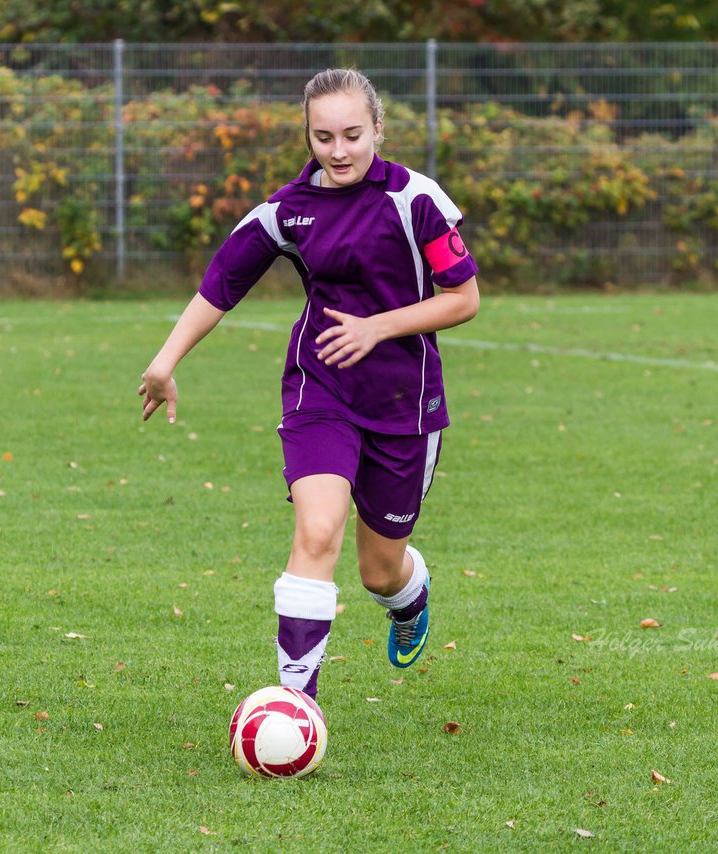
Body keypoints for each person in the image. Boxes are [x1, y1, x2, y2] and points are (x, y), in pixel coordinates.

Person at [137, 69, 480, 699]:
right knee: (317, 531)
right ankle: (296, 705)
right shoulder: (288, 211)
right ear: (309, 136)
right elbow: (222, 284)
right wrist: (165, 361)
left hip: (405, 402)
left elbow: (463, 298)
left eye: (352, 134)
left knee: (378, 572)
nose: (339, 150)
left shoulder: (416, 198)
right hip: (319, 389)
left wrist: (378, 328)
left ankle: (409, 594)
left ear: (377, 128)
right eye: (324, 137)